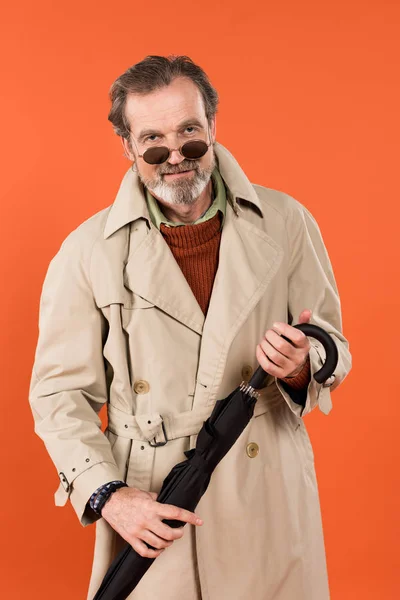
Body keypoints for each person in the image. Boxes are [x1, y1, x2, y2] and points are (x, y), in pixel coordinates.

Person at [29, 55, 352, 600]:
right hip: (157, 499)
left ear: (212, 126)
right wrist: (109, 494)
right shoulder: (87, 252)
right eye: (152, 139)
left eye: (189, 132)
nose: (175, 154)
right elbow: (59, 395)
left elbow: (332, 345)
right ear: (127, 147)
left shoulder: (286, 220)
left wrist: (301, 367)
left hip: (264, 484)